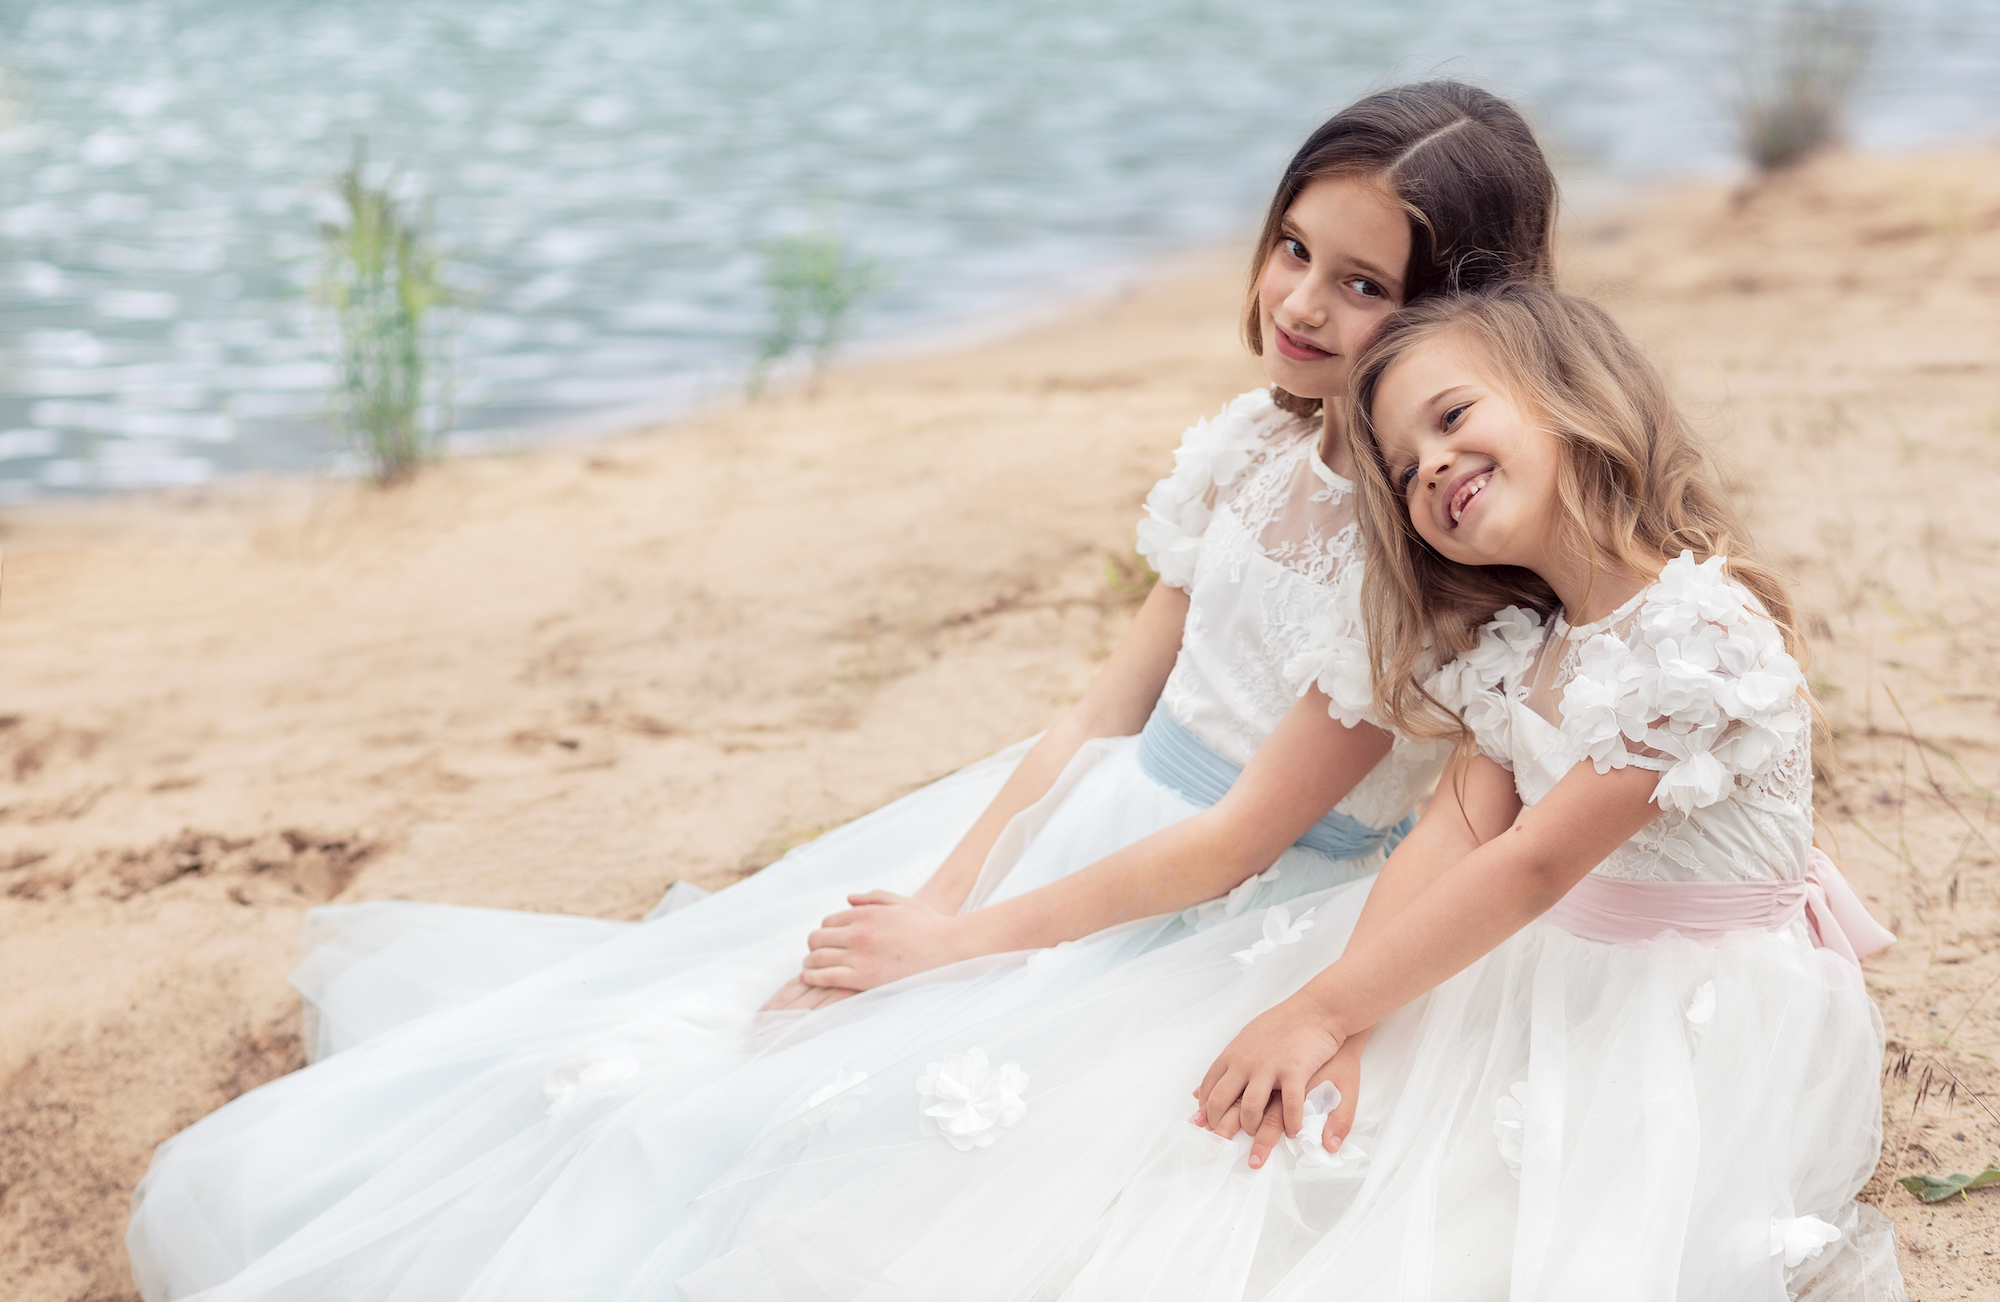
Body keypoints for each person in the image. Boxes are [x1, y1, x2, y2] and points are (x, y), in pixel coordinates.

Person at [127, 83, 1561, 1301]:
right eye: (1295, 247)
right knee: (701, 1047)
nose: (1301, 300)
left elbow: (1240, 840)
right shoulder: (1248, 448)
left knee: (840, 1161)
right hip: (1086, 831)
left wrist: (973, 945)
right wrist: (942, 893)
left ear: (1461, 320)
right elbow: (1099, 716)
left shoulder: (1413, 553)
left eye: (1362, 284)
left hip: (1215, 906)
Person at [1178, 281, 1902, 1299]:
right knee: (1330, 1171)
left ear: (1567, 395)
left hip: (1686, 1009)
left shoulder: (1698, 633)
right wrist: (1347, 1025)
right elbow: (1449, 839)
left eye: (1452, 415)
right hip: (1551, 964)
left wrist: (1315, 1010)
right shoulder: (1520, 651)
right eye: (1401, 469)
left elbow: (1529, 864)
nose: (1428, 464)